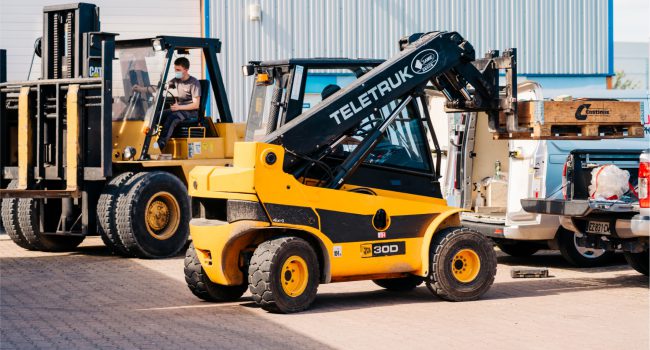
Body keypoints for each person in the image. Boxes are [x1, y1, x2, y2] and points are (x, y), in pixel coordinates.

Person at [133, 57, 201, 150]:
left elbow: (196, 105)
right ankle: (144, 143)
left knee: (172, 118)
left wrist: (179, 108)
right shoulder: (177, 80)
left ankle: (159, 145)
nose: (176, 72)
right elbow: (160, 88)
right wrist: (141, 89)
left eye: (178, 70)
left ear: (186, 70)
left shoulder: (194, 83)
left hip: (190, 112)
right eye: (175, 69)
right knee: (155, 116)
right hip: (179, 109)